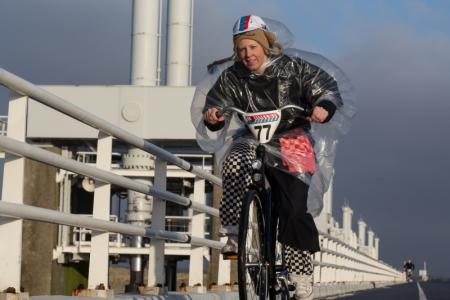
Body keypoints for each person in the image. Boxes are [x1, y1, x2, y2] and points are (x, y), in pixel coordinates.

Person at [192, 15, 350, 300]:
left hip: (291, 137)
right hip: (250, 137)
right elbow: (216, 108)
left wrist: (323, 107)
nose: (247, 54)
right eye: (241, 49)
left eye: (252, 47)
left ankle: (300, 274)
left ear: (265, 45)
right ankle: (233, 232)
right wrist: (213, 117)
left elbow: (325, 89)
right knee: (234, 162)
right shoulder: (232, 76)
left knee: (293, 207)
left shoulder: (294, 68)